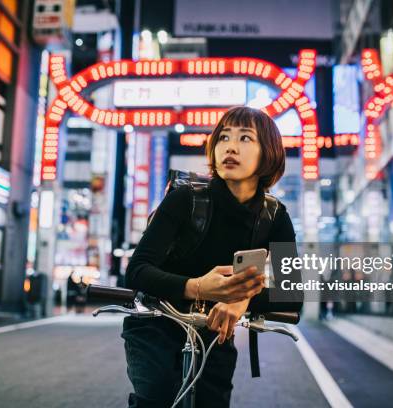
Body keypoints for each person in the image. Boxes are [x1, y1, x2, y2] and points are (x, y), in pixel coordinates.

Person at [122, 106, 303, 407]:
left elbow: (292, 293)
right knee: (157, 395)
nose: (230, 146)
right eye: (223, 138)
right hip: (156, 322)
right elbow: (137, 270)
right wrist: (197, 287)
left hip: (215, 332)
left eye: (245, 138)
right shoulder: (185, 199)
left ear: (268, 152)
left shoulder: (275, 216)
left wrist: (241, 299)